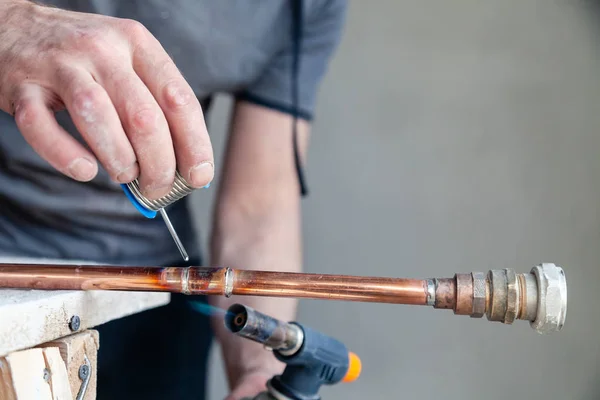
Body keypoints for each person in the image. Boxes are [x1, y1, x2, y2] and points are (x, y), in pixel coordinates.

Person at [0, 0, 347, 399]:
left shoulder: (308, 8)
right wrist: (10, 24)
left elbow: (258, 206)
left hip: (155, 295)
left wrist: (260, 368)